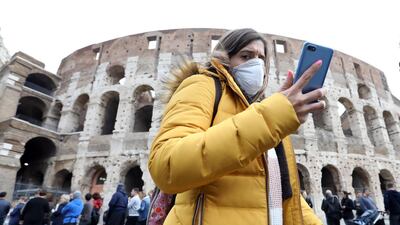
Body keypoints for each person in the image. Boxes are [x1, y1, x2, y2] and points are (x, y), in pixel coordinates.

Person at [148, 28, 325, 225]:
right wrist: (274, 115)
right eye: (246, 56)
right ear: (225, 57)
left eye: (261, 59)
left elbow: (279, 192)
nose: (256, 64)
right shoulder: (201, 85)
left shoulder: (259, 112)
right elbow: (167, 166)